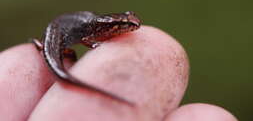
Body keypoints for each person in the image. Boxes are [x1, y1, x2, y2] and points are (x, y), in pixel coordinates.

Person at [0, 26, 237, 121]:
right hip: (54, 40)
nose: (131, 27)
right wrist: (93, 46)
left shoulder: (91, 25)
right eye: (124, 24)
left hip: (56, 41)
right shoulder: (90, 29)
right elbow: (84, 37)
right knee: (59, 57)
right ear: (111, 27)